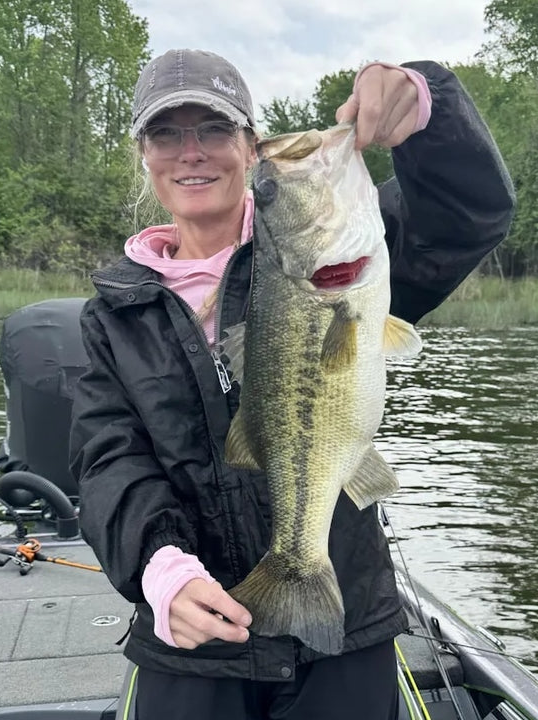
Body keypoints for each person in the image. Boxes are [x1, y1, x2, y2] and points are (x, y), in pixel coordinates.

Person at [69, 48, 515, 720]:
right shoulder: (113, 315)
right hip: (195, 636)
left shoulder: (347, 254)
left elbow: (470, 212)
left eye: (214, 129)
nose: (192, 152)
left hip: (346, 620)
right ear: (144, 155)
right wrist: (159, 570)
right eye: (168, 133)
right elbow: (110, 461)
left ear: (251, 149)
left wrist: (426, 103)